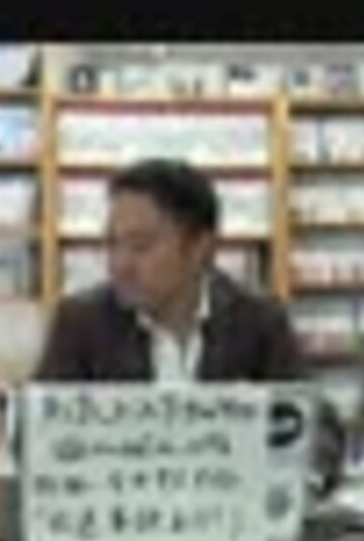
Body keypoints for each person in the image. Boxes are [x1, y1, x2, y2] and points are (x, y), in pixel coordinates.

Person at [36, 158, 304, 382]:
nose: (120, 264)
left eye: (140, 246)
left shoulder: (259, 323)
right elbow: (41, 422)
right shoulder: (80, 323)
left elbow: (305, 420)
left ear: (200, 248)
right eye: (112, 244)